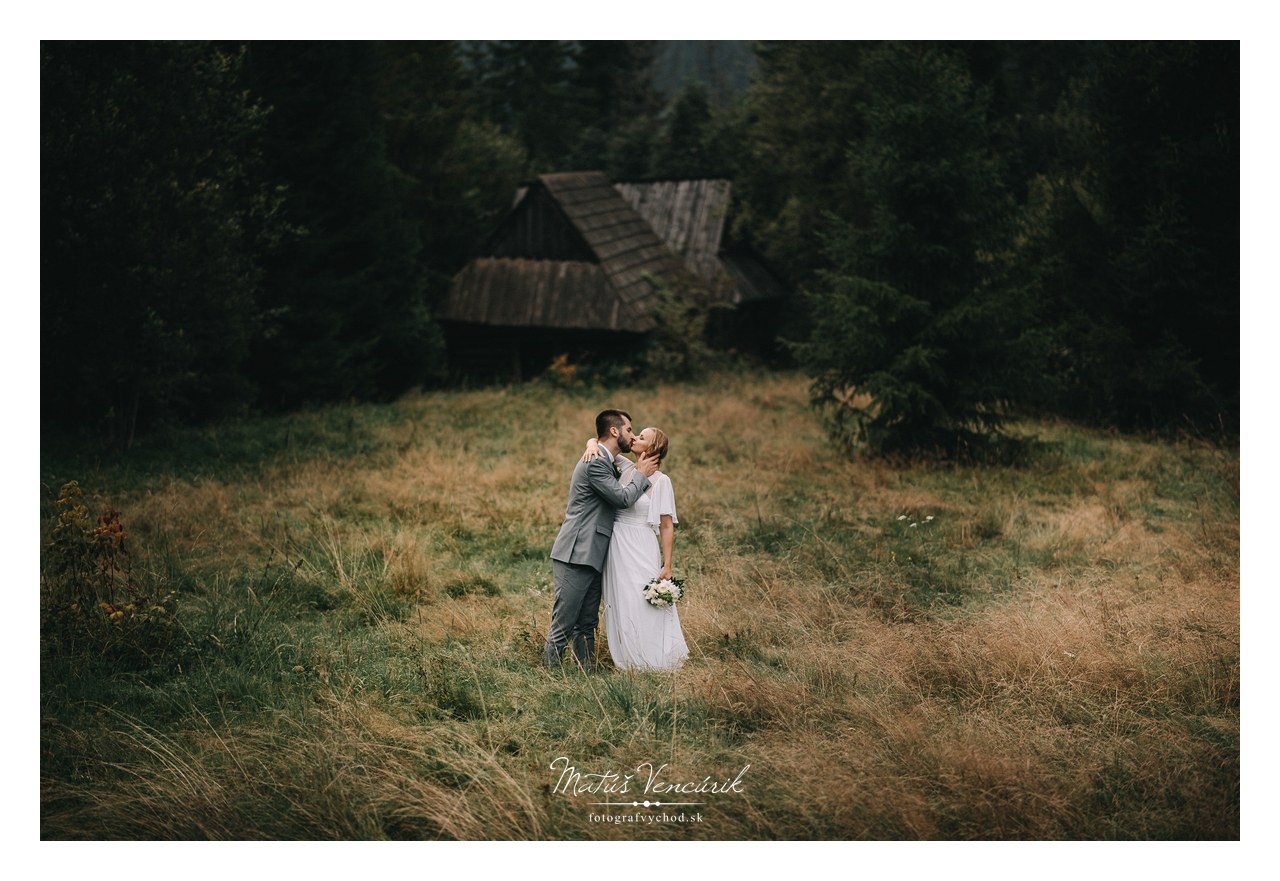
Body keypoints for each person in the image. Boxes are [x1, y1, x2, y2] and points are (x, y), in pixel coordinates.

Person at [543, 409, 659, 670]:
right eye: (629, 429)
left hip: (595, 553)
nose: (632, 435)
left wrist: (591, 440)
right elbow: (622, 498)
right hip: (576, 552)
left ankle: (587, 673)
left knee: (587, 623)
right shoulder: (595, 462)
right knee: (564, 621)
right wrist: (641, 474)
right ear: (615, 431)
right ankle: (547, 675)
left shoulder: (605, 457)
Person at [583, 426, 688, 670]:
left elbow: (666, 525)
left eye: (642, 437)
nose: (634, 438)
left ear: (652, 449)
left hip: (641, 543)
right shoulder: (625, 467)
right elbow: (599, 444)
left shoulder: (662, 481)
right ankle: (628, 657)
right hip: (616, 543)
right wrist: (590, 445)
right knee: (621, 599)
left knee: (642, 599)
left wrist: (668, 564)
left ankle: (652, 657)